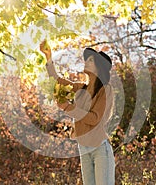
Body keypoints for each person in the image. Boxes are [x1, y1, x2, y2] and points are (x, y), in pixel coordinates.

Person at [40, 40, 115, 185]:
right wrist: (48, 58)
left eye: (91, 60)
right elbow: (58, 82)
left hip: (100, 148)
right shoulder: (81, 89)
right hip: (84, 148)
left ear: (99, 67)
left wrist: (68, 108)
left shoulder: (106, 89)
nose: (86, 61)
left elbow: (94, 119)